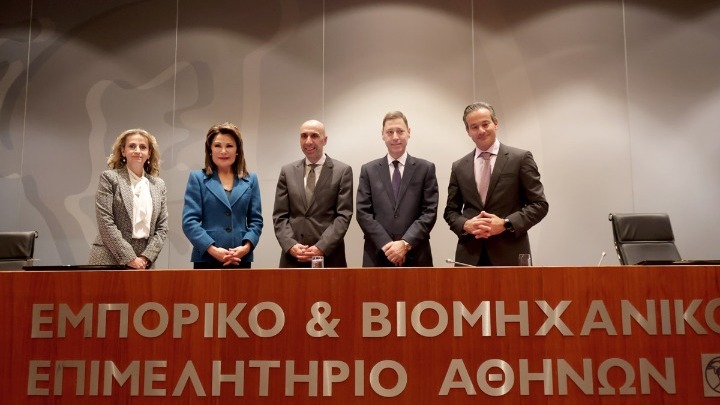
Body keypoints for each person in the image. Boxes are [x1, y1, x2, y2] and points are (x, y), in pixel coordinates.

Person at [444, 101, 549, 266]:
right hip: (470, 257)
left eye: (485, 124)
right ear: (468, 131)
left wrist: (505, 224)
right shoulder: (459, 166)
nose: (481, 130)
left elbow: (540, 205)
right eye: (474, 127)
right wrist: (466, 224)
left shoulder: (520, 159)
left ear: (496, 123)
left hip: (510, 255)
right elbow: (450, 211)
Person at [356, 111, 438, 267]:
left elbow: (429, 212)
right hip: (377, 255)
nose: (395, 137)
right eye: (390, 132)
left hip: (416, 255)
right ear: (382, 134)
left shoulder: (426, 168)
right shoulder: (368, 170)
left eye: (400, 131)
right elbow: (363, 213)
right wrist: (388, 246)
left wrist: (405, 244)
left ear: (409, 132)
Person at [272, 120, 353, 267]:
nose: (308, 141)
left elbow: (343, 215)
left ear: (325, 140)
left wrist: (322, 247)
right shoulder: (287, 171)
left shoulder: (342, 171)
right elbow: (280, 215)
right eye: (304, 136)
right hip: (293, 258)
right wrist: (291, 245)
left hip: (329, 257)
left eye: (314, 135)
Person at [182, 123, 263, 268]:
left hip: (240, 258)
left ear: (237, 150)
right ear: (210, 150)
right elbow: (189, 222)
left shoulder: (251, 180)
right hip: (206, 258)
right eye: (217, 146)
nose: (223, 151)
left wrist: (246, 248)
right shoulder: (197, 178)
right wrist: (212, 249)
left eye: (229, 146)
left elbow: (256, 221)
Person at [88, 129, 168, 268]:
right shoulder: (109, 178)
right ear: (123, 151)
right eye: (132, 146)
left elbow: (162, 227)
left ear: (149, 152)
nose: (137, 150)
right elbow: (105, 222)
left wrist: (146, 257)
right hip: (109, 257)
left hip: (143, 261)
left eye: (142, 147)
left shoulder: (158, 184)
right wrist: (130, 258)